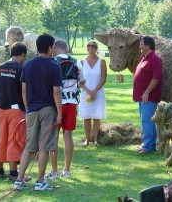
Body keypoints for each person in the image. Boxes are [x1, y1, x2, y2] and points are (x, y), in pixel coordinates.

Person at [13, 33, 63, 191]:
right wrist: (60, 113)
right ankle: (40, 182)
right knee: (44, 147)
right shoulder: (54, 65)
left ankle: (19, 181)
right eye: (53, 46)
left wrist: (28, 108)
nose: (54, 49)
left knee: (29, 146)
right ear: (49, 48)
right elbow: (56, 92)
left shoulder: (27, 64)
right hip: (48, 110)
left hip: (32, 109)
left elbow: (23, 89)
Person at [44, 40, 85, 180]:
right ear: (66, 49)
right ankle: (66, 170)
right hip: (72, 103)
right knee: (68, 137)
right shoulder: (76, 62)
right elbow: (82, 81)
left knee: (53, 137)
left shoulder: (52, 62)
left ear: (54, 48)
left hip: (56, 104)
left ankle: (54, 171)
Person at [0, 42, 27, 180]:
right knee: (14, 140)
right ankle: (13, 174)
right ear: (22, 54)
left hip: (1, 110)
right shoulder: (21, 69)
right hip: (16, 110)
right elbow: (25, 91)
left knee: (1, 139)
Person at [133, 36, 162, 154]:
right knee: (147, 120)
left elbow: (156, 78)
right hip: (142, 96)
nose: (139, 45)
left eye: (141, 43)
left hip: (148, 96)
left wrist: (147, 92)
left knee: (147, 121)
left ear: (148, 45)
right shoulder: (144, 58)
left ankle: (147, 146)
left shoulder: (155, 59)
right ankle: (151, 145)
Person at [79, 40, 107, 146]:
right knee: (86, 116)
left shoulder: (102, 61)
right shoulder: (82, 62)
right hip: (86, 92)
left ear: (96, 48)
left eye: (93, 46)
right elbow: (80, 80)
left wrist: (94, 91)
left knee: (96, 116)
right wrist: (88, 91)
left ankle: (95, 139)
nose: (91, 47)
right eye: (89, 46)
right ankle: (87, 139)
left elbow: (104, 78)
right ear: (87, 48)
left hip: (98, 92)